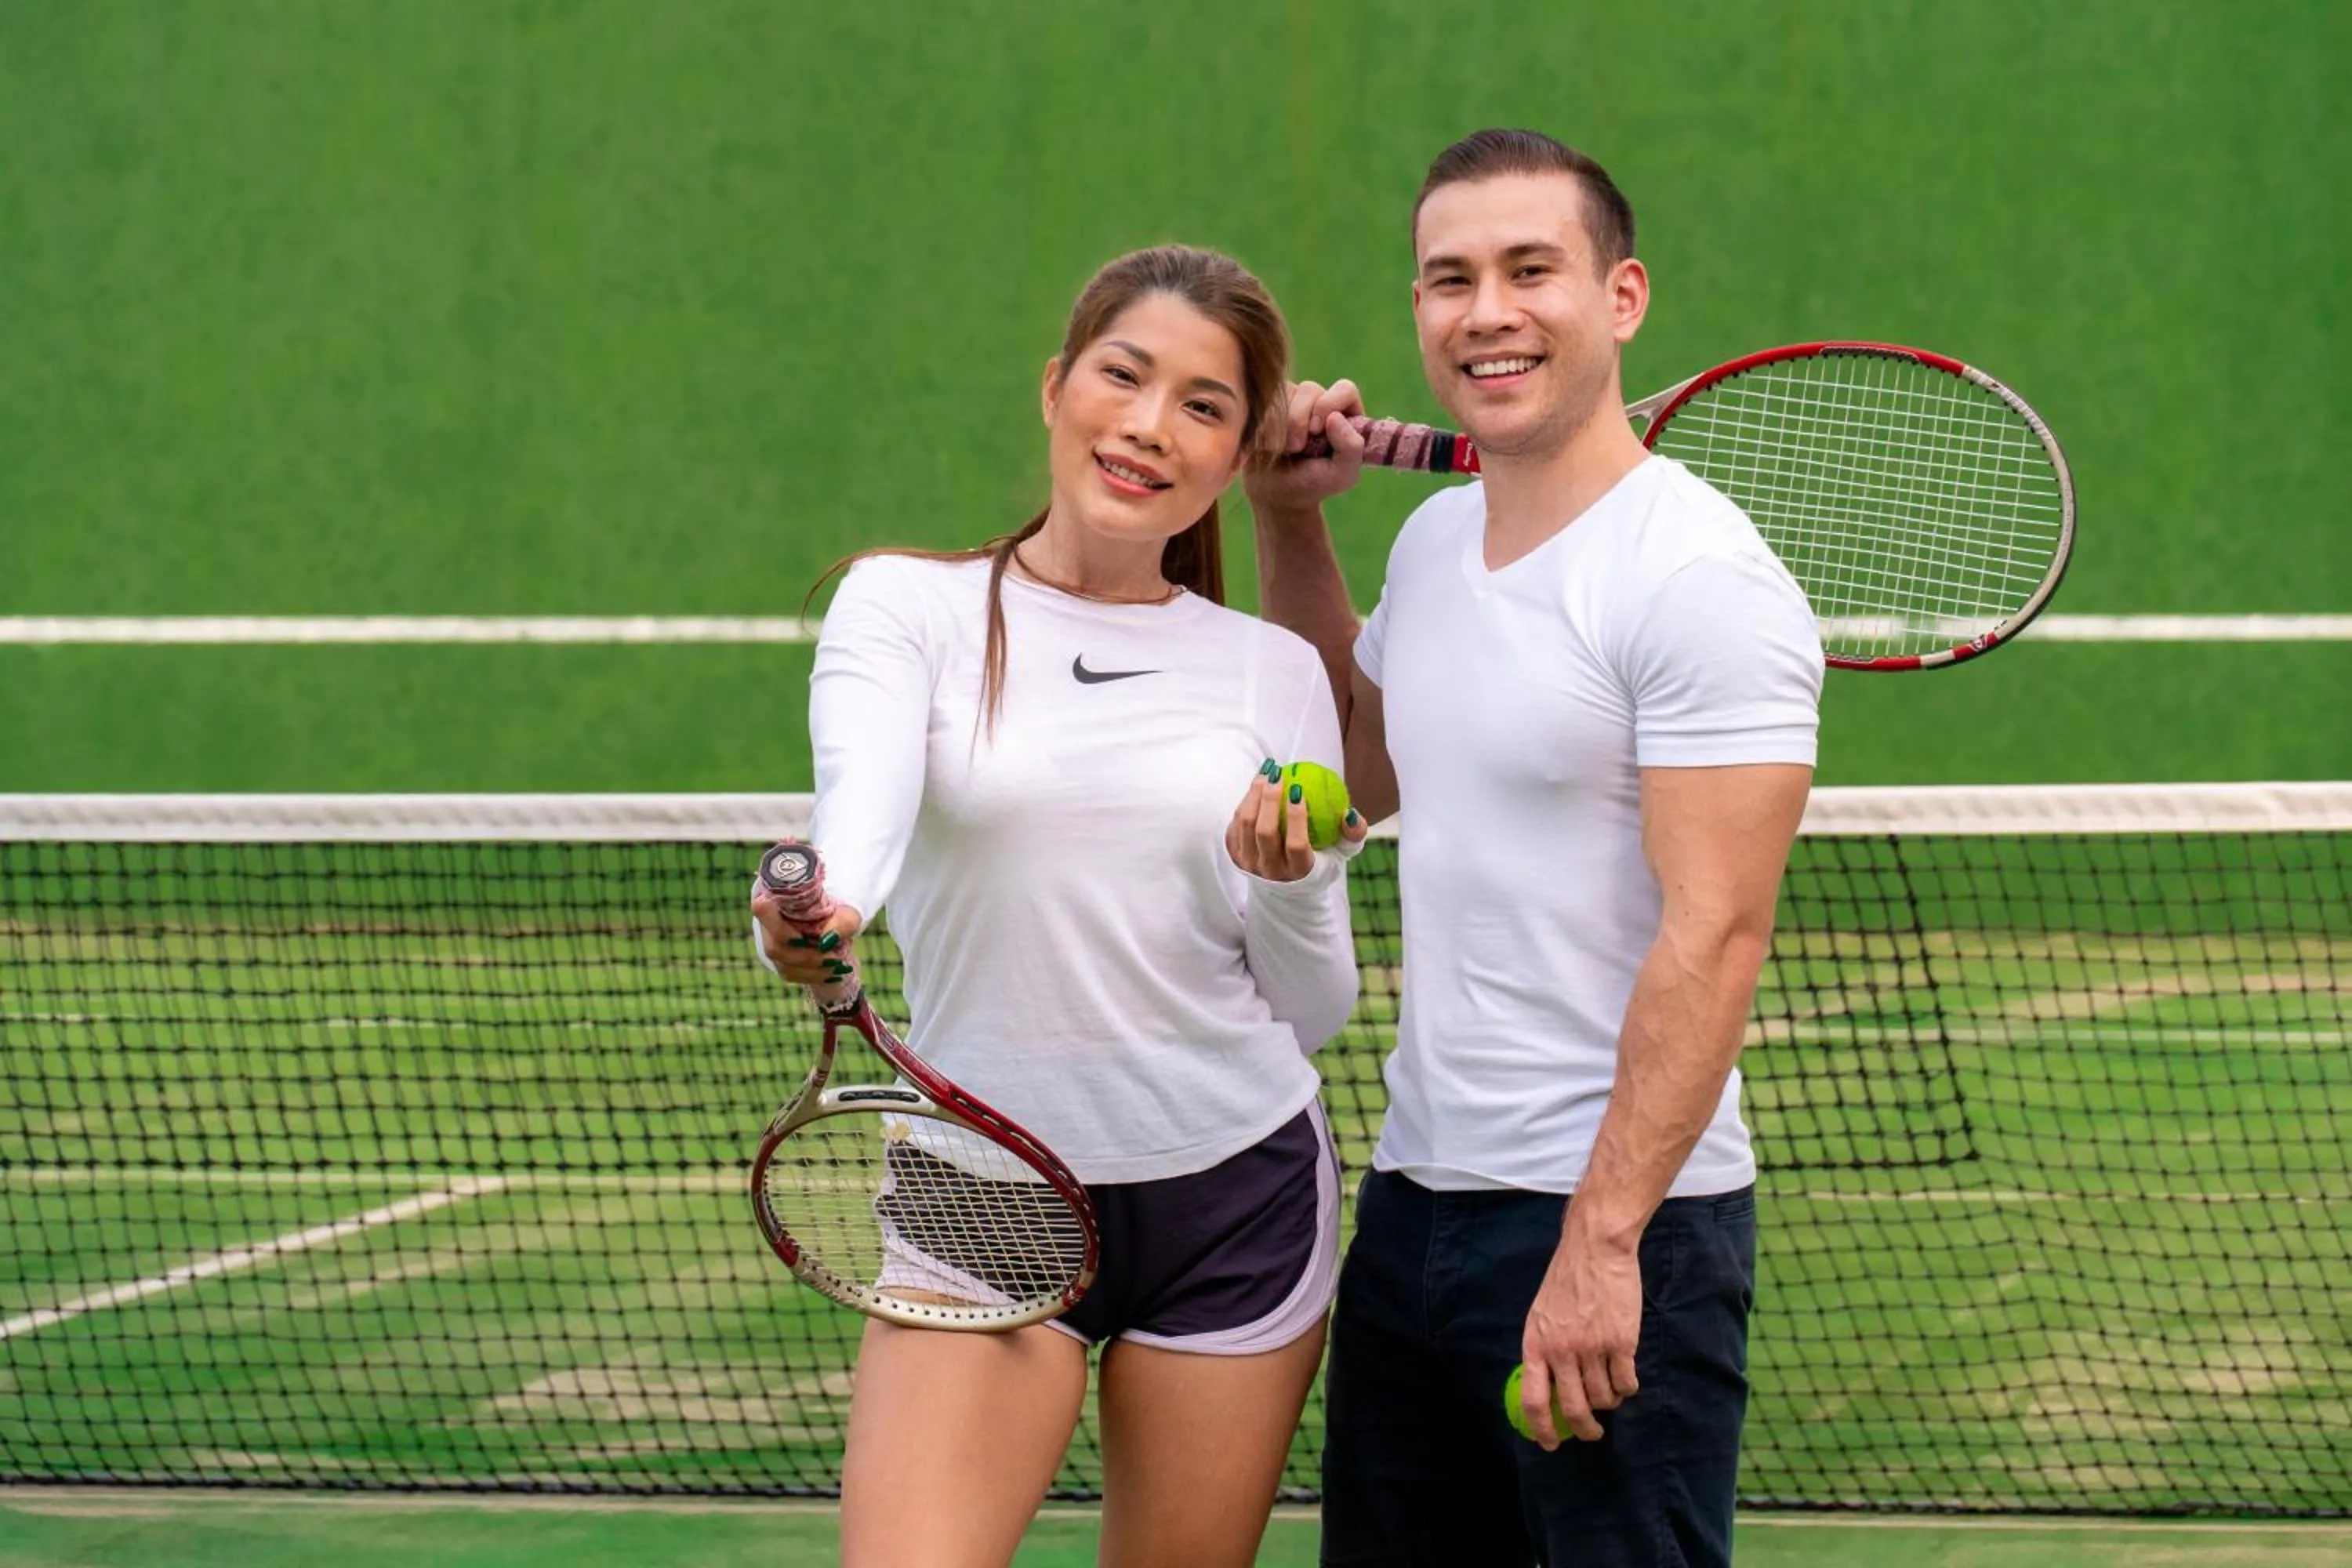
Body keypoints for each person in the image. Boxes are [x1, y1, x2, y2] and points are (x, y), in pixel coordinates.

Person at [1243, 131, 1823, 1567]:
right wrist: (1284, 518)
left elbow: (1718, 934)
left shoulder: (1698, 582)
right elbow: (1361, 777)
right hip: (1417, 1202)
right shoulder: (1438, 541)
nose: (1484, 311)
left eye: (1528, 271)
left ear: (1620, 300)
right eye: (1449, 279)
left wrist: (1603, 1244)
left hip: (1616, 1229)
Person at [751, 244, 1366, 1568]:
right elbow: (856, 817)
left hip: (1236, 1200)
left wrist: (1298, 886)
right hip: (986, 1189)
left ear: (1232, 449)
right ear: (1056, 385)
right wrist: (817, 913)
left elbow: (1313, 1010)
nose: (1150, 427)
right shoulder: (905, 608)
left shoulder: (1270, 671)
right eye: (1124, 376)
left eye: (1204, 405)